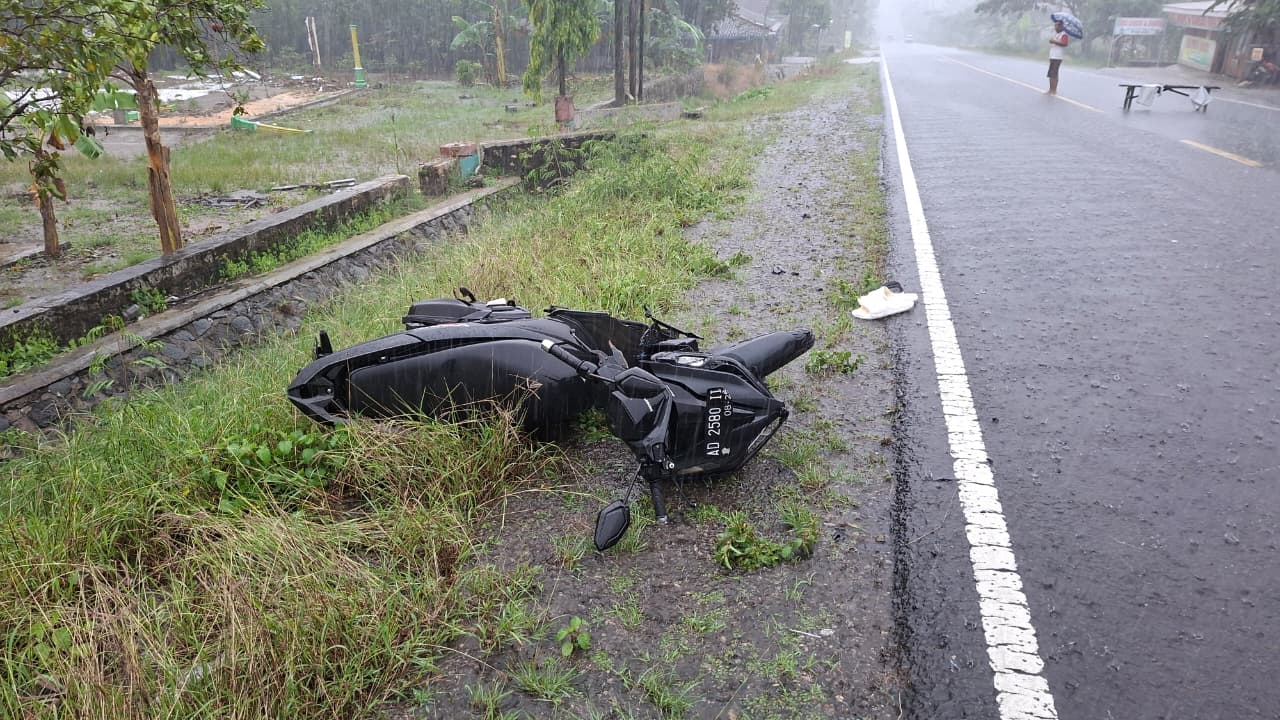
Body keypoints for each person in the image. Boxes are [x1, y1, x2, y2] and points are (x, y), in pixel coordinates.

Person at [1047, 20, 1069, 95]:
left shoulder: (1064, 34)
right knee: (1050, 73)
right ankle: (1050, 89)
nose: (1055, 27)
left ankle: (1054, 90)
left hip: (1058, 56)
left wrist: (1054, 41)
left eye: (1057, 26)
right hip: (1052, 56)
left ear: (1061, 26)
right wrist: (1052, 41)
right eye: (1055, 26)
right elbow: (1054, 42)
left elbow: (1064, 43)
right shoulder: (1056, 34)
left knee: (1054, 73)